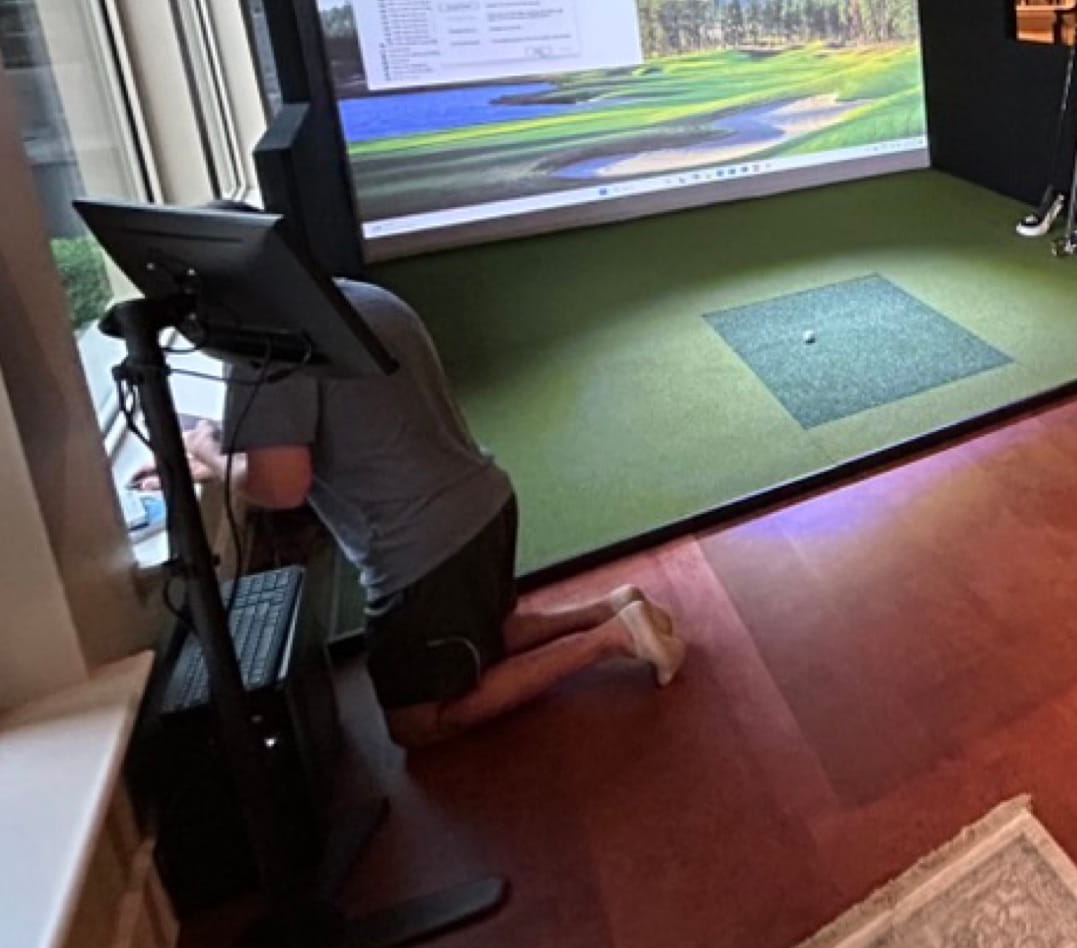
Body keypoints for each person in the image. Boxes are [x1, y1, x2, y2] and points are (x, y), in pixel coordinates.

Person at [149, 276, 685, 748]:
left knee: (419, 724)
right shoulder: (362, 295)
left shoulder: (264, 343)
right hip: (487, 505)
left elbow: (282, 487)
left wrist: (207, 452)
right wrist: (225, 454)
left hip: (422, 552)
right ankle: (608, 608)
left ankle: (612, 639)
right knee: (490, 634)